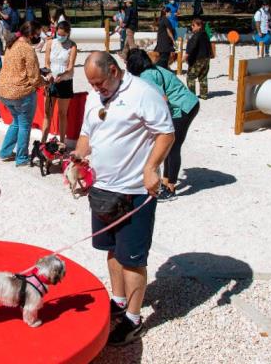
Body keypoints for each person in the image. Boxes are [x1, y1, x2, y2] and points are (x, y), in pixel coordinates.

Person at [74, 51, 174, 346]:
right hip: (102, 189)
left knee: (132, 259)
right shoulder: (95, 96)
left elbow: (166, 132)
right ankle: (119, 300)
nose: (96, 89)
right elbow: (86, 134)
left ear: (115, 71)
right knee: (111, 249)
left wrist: (151, 167)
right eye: (92, 84)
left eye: (100, 83)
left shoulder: (143, 93)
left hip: (134, 191)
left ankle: (133, 320)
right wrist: (78, 159)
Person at [125, 49, 198, 194]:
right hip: (187, 103)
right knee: (166, 145)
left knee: (173, 144)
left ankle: (170, 185)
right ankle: (165, 180)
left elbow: (162, 98)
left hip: (183, 107)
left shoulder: (147, 76)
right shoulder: (151, 69)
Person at [0, 20, 48, 165]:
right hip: (20, 93)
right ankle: (22, 158)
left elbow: (18, 68)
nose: (39, 37)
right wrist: (46, 81)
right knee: (25, 125)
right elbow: (34, 78)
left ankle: (5, 152)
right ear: (32, 34)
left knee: (16, 122)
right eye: (38, 34)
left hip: (4, 92)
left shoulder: (11, 44)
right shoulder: (27, 49)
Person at [41, 21, 78, 144]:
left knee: (63, 114)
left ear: (67, 33)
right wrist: (49, 74)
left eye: (62, 34)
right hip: (51, 81)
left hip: (65, 82)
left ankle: (62, 142)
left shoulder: (72, 46)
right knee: (47, 113)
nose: (60, 36)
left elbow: (70, 67)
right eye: (58, 33)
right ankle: (43, 142)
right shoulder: (51, 43)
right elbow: (46, 62)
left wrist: (62, 75)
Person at [185, 18, 212, 99]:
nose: (192, 27)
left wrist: (186, 55)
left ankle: (191, 96)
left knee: (190, 77)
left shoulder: (197, 35)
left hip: (198, 59)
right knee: (203, 76)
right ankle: (204, 95)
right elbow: (209, 46)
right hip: (206, 58)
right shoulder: (205, 34)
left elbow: (192, 46)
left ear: (199, 26)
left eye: (193, 25)